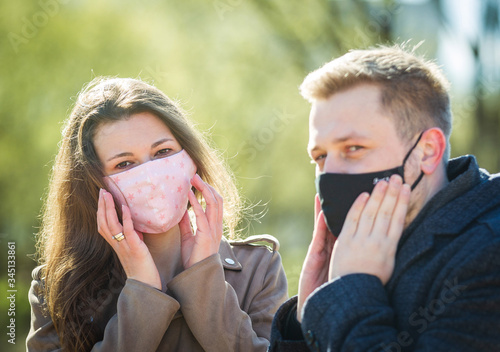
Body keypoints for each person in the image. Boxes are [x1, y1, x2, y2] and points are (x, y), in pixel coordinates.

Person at [27, 77, 287, 352]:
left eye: (163, 151)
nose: (151, 176)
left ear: (190, 159)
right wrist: (142, 291)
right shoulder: (57, 289)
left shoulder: (258, 269)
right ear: (93, 186)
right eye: (124, 163)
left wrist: (203, 280)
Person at [269, 44, 500, 351]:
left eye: (354, 148)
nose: (330, 174)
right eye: (321, 156)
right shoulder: (352, 253)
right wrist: (307, 317)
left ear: (427, 151)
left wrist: (350, 290)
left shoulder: (489, 253)